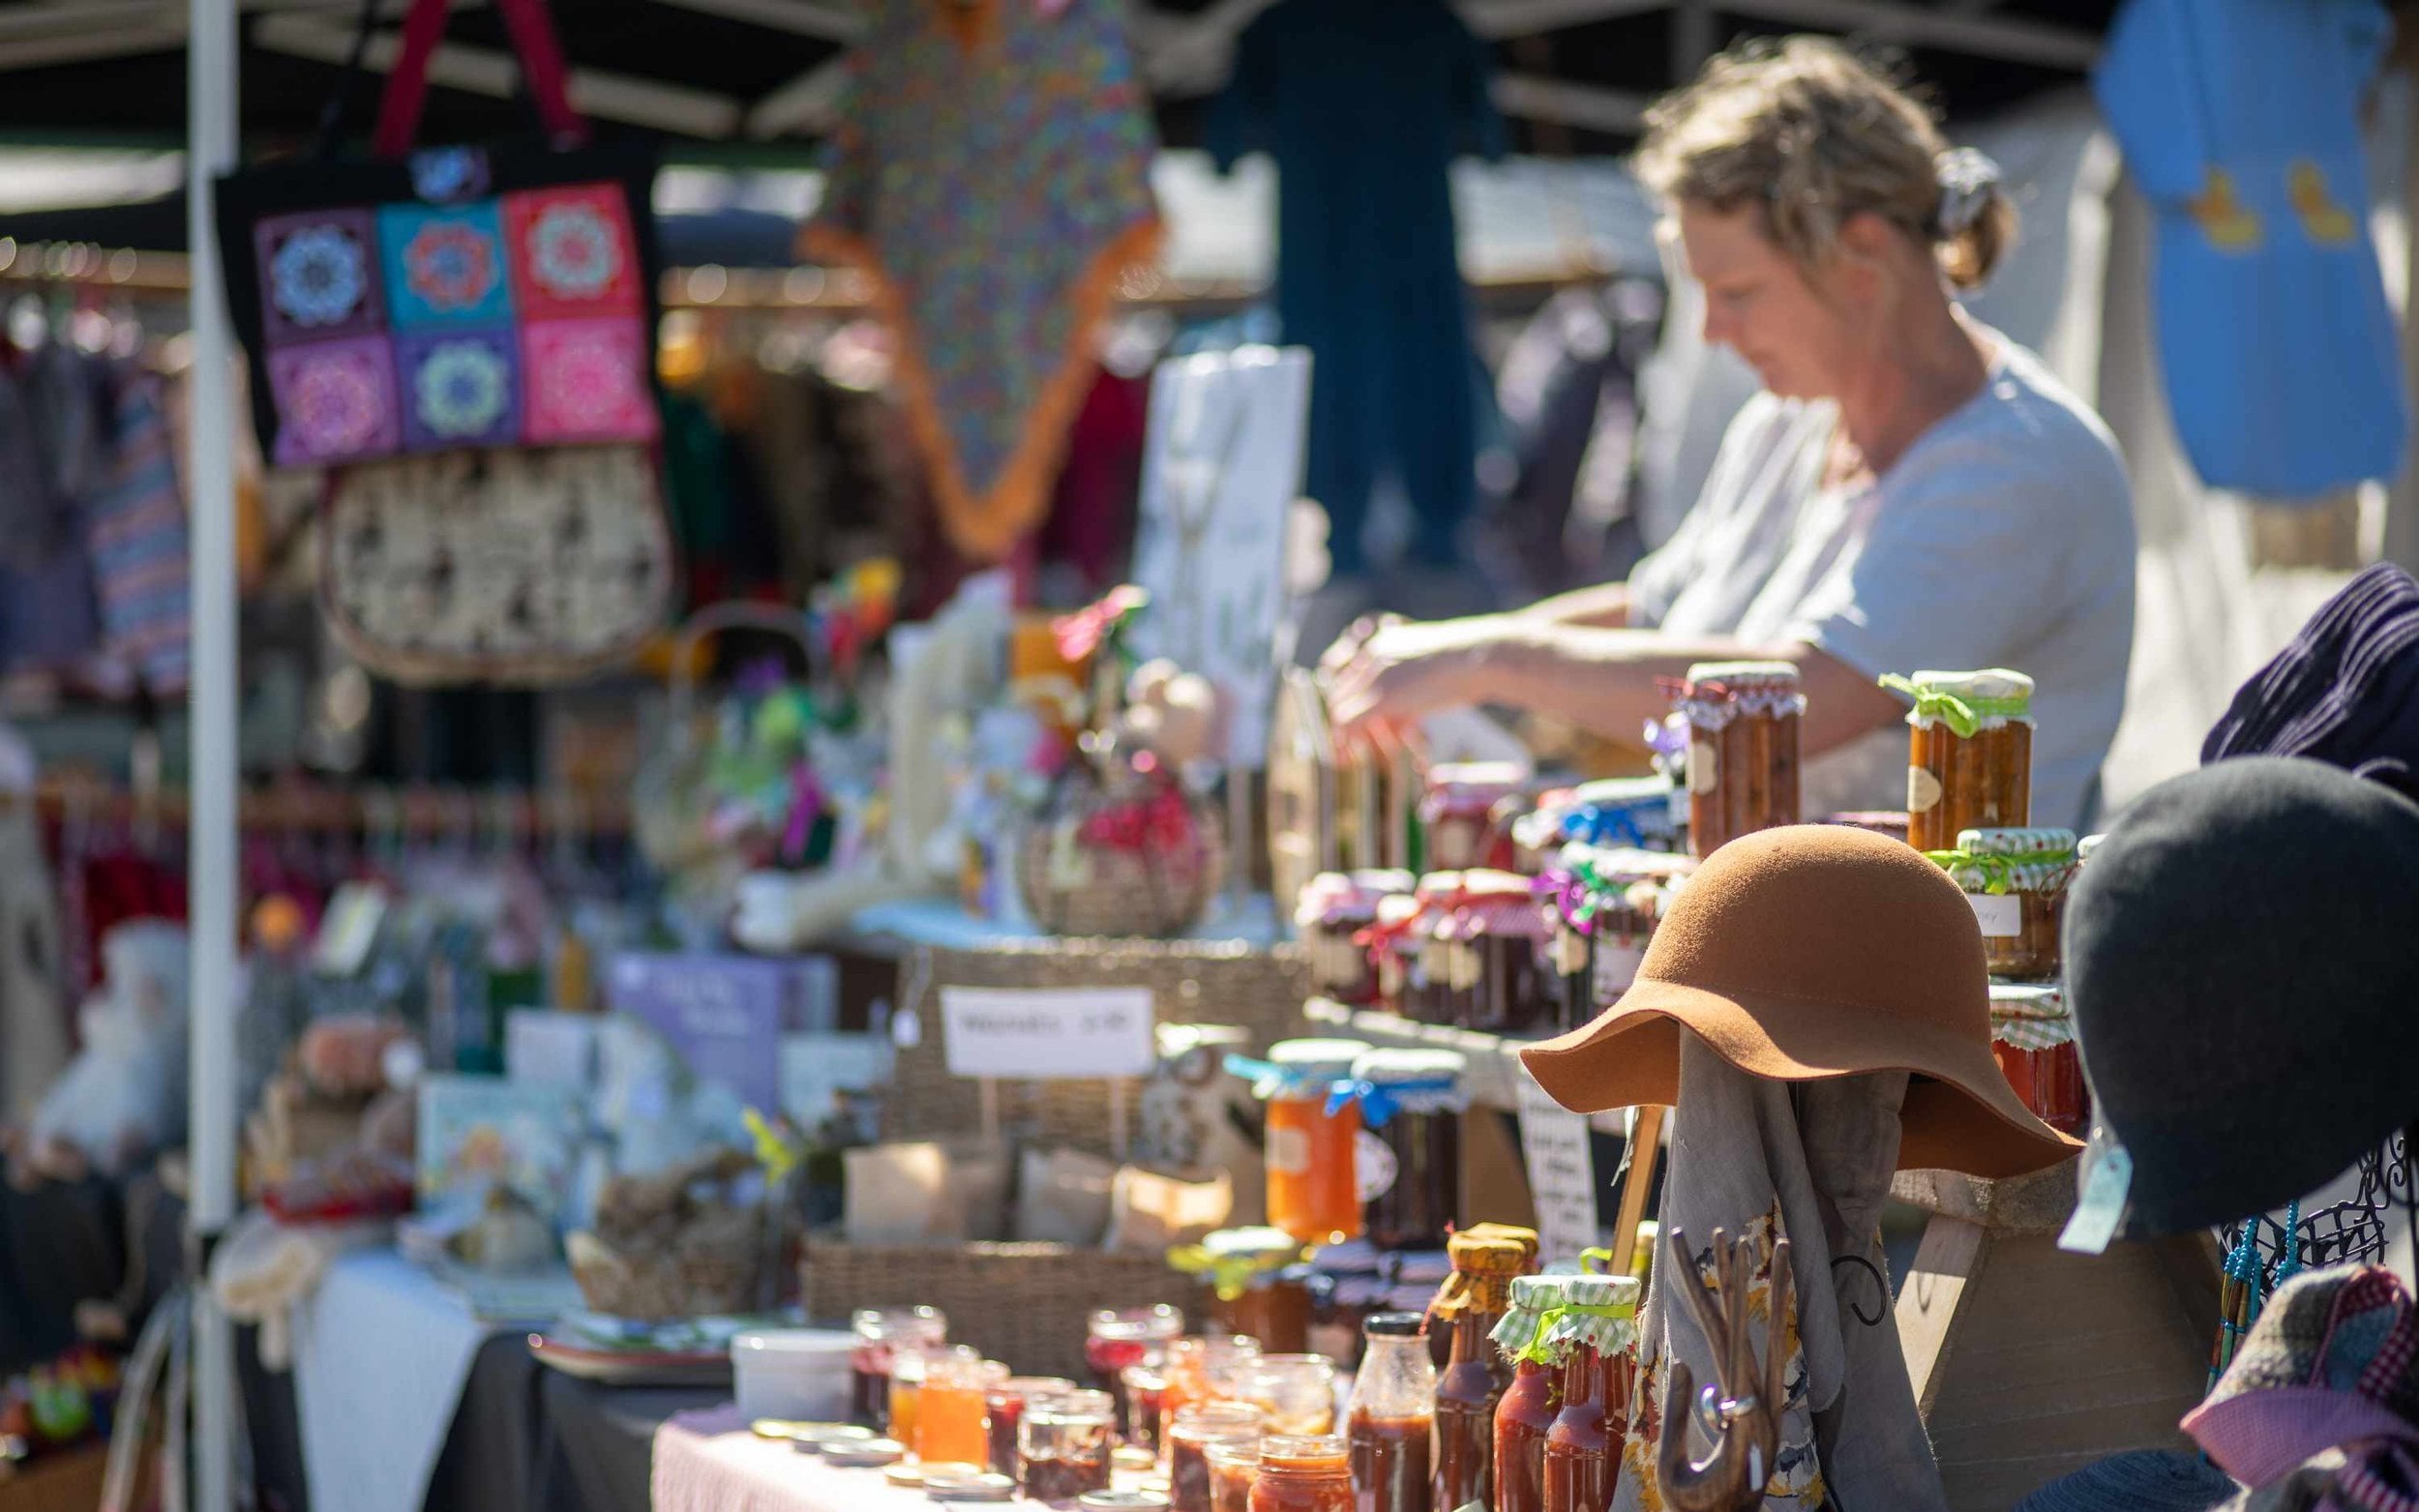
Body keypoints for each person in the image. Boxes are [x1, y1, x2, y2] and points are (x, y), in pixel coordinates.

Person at [1321, 38, 2136, 831]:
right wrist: (1445, 651)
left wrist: (1485, 660)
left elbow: (1805, 697)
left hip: (1938, 961)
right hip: (1770, 937)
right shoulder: (1788, 423)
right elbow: (1656, 614)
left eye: (1738, 291)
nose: (1712, 329)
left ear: (1865, 255)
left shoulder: (2022, 464)